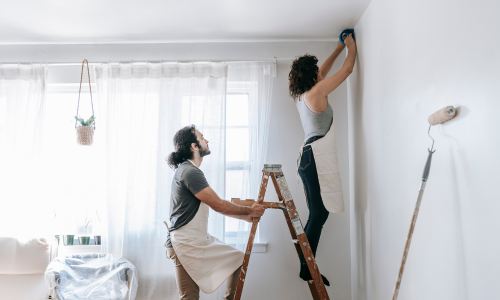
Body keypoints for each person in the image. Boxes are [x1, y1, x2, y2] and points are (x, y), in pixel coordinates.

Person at [165, 124, 266, 300]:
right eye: (202, 137)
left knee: (238, 259)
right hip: (184, 243)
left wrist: (245, 216)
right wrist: (250, 210)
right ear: (194, 146)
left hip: (195, 240)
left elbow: (214, 204)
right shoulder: (190, 172)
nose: (207, 140)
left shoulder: (189, 170)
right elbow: (218, 204)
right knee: (189, 297)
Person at [288, 34, 356, 285]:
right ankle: (306, 266)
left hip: (307, 157)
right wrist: (350, 46)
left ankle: (306, 263)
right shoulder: (317, 91)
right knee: (318, 214)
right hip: (313, 156)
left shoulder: (303, 95)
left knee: (317, 213)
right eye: (316, 71)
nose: (321, 72)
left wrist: (338, 48)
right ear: (312, 75)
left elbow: (324, 72)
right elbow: (348, 70)